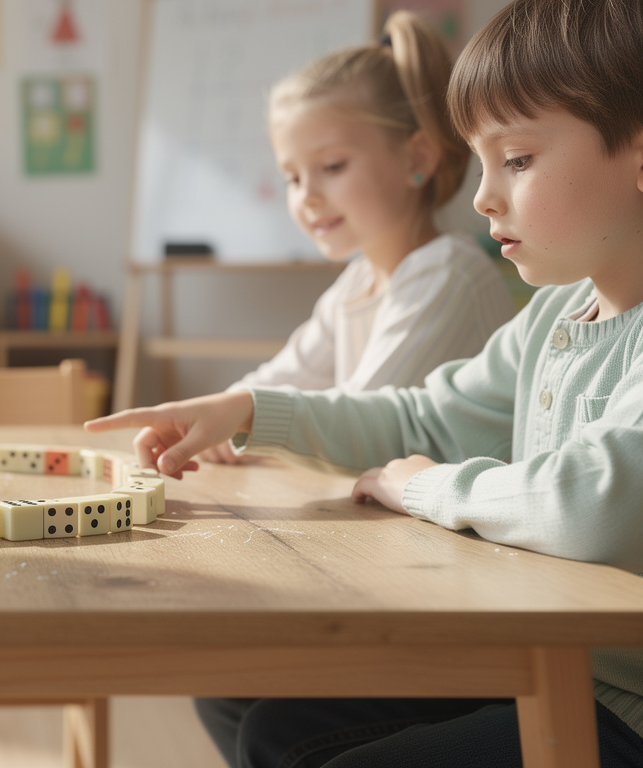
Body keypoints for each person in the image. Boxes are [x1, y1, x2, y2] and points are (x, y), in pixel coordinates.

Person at [88, 0, 643, 764]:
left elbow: (592, 501)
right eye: (481, 163)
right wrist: (251, 410)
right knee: (267, 719)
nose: (481, 197)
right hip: (545, 659)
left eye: (515, 159)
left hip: (622, 705)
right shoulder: (553, 315)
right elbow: (424, 418)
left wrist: (426, 487)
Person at [201, 10, 514, 465]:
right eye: (291, 177)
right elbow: (283, 379)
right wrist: (215, 416)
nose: (307, 197)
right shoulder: (357, 284)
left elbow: (358, 425)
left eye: (331, 167)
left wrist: (243, 419)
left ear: (417, 158)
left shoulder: (447, 274)